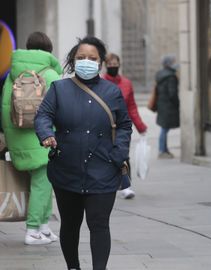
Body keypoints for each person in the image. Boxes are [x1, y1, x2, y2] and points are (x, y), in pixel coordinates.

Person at [34, 36, 132, 270]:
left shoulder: (112, 92)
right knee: (70, 224)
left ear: (100, 62)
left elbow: (125, 125)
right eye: (80, 58)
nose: (86, 61)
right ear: (72, 60)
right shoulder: (59, 89)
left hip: (103, 170)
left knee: (99, 224)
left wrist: (117, 155)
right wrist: (46, 133)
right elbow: (43, 115)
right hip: (66, 169)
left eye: (92, 58)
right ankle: (73, 267)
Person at [1, 31, 62, 245]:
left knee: (43, 182)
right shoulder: (51, 75)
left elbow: (4, 108)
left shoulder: (12, 74)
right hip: (43, 138)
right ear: (49, 51)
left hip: (18, 138)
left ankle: (44, 227)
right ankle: (33, 230)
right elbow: (61, 110)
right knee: (42, 184)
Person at [103, 52, 147, 199]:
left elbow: (132, 107)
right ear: (105, 66)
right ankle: (107, 183)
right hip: (105, 126)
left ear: (119, 65)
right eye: (110, 65)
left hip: (122, 127)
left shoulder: (126, 83)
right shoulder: (101, 83)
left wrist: (140, 126)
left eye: (115, 65)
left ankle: (126, 186)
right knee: (105, 156)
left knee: (123, 155)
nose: (113, 67)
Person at [154, 55, 179, 159]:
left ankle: (164, 149)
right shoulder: (171, 77)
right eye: (173, 61)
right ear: (169, 63)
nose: (175, 64)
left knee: (164, 128)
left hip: (162, 104)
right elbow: (172, 93)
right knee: (164, 129)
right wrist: (177, 104)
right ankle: (162, 150)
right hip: (168, 106)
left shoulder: (160, 74)